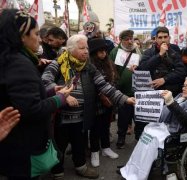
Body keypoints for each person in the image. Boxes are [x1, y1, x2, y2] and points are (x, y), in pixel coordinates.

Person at [42, 34, 135, 179]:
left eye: (87, 47)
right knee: (59, 145)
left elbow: (105, 86)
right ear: (71, 49)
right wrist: (63, 95)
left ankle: (81, 167)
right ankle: (57, 171)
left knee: (79, 144)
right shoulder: (58, 63)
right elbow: (45, 81)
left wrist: (125, 99)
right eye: (82, 48)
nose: (86, 51)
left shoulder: (89, 67)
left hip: (81, 117)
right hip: (61, 118)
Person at [0, 9, 73, 179]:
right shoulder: (18, 63)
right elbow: (31, 109)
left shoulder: (10, 58)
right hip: (22, 148)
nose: (40, 38)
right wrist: (60, 98)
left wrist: (48, 91)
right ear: (22, 36)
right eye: (36, 33)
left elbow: (17, 98)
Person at [121, 77, 187, 180]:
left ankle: (140, 172)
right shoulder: (181, 97)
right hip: (168, 125)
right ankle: (132, 168)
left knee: (152, 138)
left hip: (182, 132)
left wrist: (171, 102)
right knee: (147, 130)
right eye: (184, 85)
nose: (184, 88)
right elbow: (165, 110)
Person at [88, 38, 119, 167]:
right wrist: (101, 95)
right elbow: (89, 84)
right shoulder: (89, 65)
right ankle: (94, 152)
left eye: (104, 51)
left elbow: (115, 79)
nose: (103, 54)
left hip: (109, 100)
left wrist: (110, 95)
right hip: (95, 102)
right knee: (95, 128)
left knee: (106, 126)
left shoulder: (109, 63)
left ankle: (106, 148)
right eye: (100, 51)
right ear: (94, 52)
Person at [109, 30, 142, 148]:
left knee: (139, 117)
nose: (129, 41)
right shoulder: (115, 51)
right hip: (123, 91)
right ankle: (121, 137)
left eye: (131, 38)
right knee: (123, 117)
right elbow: (111, 69)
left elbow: (144, 65)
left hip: (137, 90)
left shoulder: (137, 50)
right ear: (121, 40)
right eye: (126, 39)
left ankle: (139, 139)